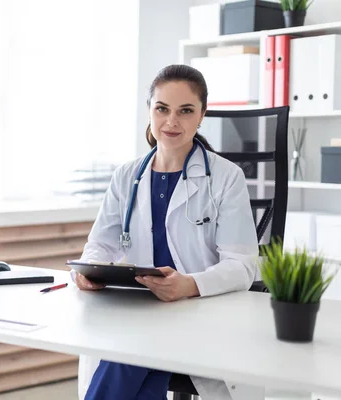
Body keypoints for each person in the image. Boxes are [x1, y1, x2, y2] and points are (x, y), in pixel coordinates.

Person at [73, 64, 259, 400]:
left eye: (185, 111)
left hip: (199, 311)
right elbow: (100, 243)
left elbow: (243, 265)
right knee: (137, 348)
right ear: (149, 111)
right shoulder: (127, 175)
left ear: (201, 115)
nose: (171, 122)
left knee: (131, 351)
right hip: (143, 308)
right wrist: (90, 269)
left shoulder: (226, 177)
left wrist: (189, 285)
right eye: (162, 109)